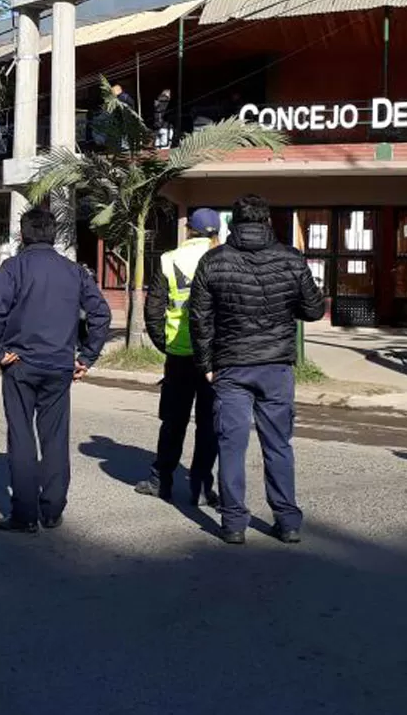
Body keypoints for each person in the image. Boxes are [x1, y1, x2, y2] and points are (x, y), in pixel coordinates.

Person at [189, 194, 326, 546]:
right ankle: (287, 521)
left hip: (231, 366)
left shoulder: (213, 261)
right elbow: (313, 311)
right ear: (267, 222)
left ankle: (234, 523)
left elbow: (199, 318)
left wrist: (205, 365)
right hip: (276, 366)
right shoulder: (291, 259)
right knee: (278, 445)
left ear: (233, 223)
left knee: (231, 445)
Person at [0, 207, 113, 534]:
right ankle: (52, 511)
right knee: (55, 439)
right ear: (54, 235)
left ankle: (24, 516)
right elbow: (101, 314)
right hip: (59, 365)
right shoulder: (74, 271)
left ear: (23, 235)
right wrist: (87, 356)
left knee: (21, 436)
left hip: (20, 365)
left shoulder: (13, 269)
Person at [137, 208, 222, 507]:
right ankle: (201, 487)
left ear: (190, 231)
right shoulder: (223, 258)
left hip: (179, 353)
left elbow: (154, 310)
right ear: (216, 232)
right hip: (214, 355)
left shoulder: (169, 259)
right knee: (208, 425)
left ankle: (162, 480)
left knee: (173, 421)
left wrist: (166, 344)